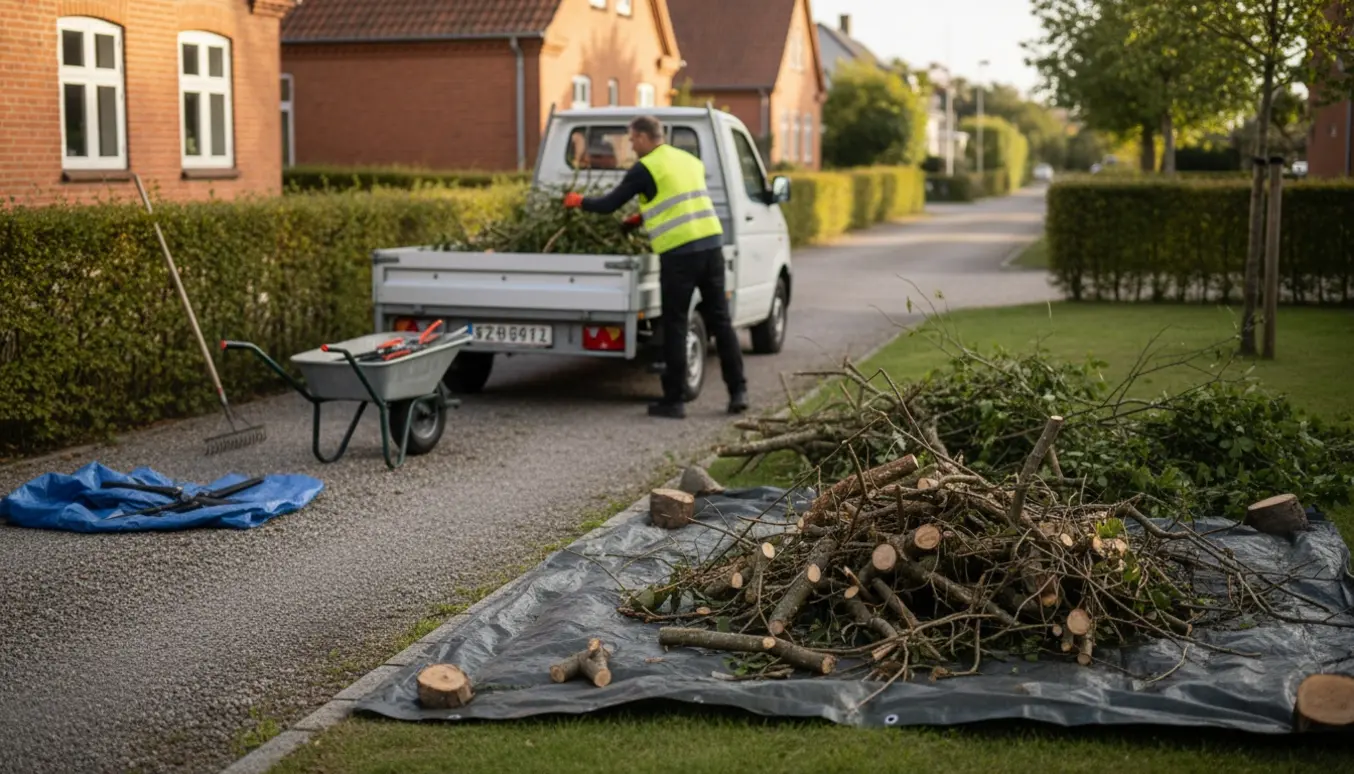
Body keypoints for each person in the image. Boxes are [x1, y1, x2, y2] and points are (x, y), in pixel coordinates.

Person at [563, 115, 748, 420]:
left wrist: (578, 201)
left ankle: (674, 401)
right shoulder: (689, 160)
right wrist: (640, 218)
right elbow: (679, 199)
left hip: (679, 254)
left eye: (632, 139)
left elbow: (608, 205)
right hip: (711, 247)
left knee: (675, 323)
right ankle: (738, 392)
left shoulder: (645, 168)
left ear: (644, 137)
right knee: (721, 321)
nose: (631, 145)